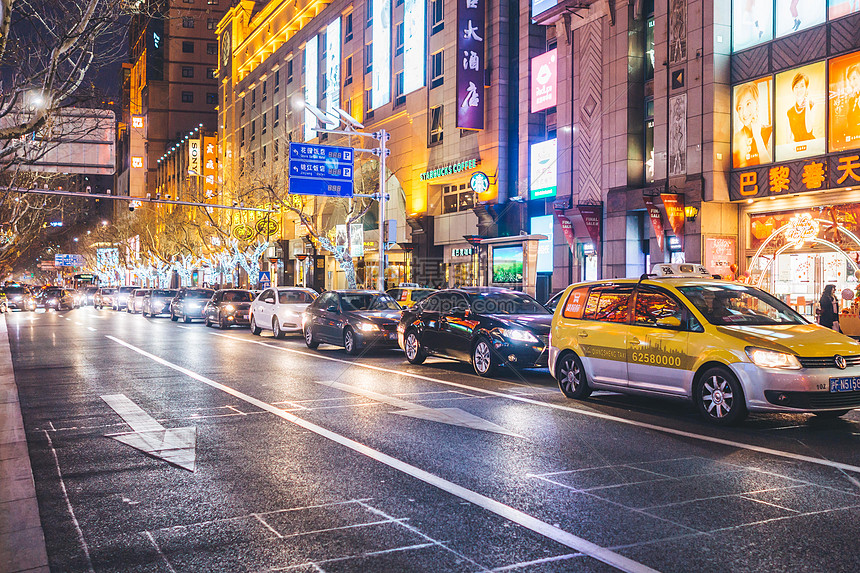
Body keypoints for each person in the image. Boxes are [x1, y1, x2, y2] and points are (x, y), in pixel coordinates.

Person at [733, 82, 772, 168]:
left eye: (748, 104)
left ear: (757, 105)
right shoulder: (735, 139)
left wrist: (757, 136)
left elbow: (770, 166)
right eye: (740, 107)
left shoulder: (770, 131)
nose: (744, 112)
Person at [787, 73, 815, 142]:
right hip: (797, 148)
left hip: (811, 146)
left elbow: (809, 129)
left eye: (802, 86)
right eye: (796, 87)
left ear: (806, 88)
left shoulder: (812, 105)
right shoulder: (790, 112)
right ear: (793, 89)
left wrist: (807, 102)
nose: (799, 90)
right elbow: (788, 137)